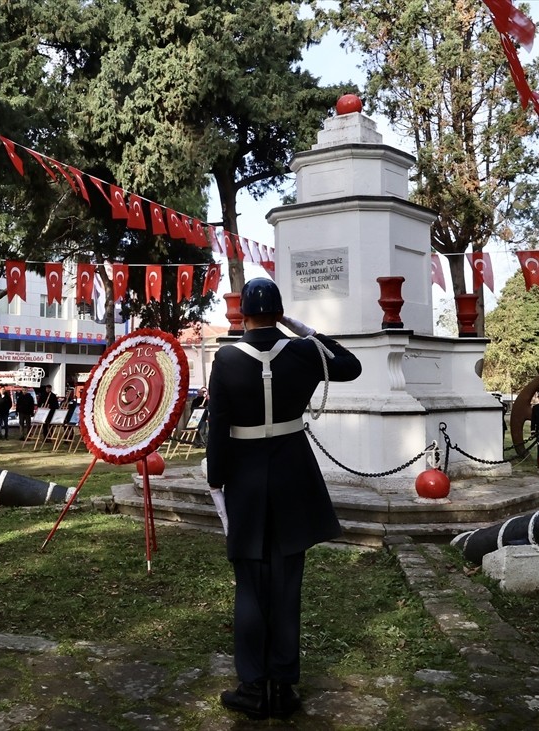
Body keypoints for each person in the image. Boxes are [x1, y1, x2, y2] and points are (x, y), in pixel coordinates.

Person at [206, 278, 362, 720]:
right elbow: (350, 367)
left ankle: (253, 688)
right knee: (288, 584)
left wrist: (217, 481)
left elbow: (218, 427)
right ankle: (284, 688)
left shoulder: (227, 358)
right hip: (294, 476)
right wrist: (307, 332)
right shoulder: (303, 352)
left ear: (243, 316)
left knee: (251, 586)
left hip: (247, 480)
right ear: (278, 312)